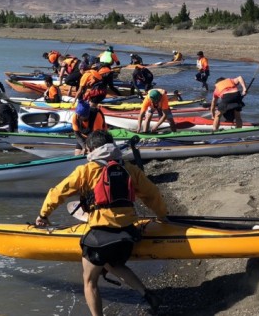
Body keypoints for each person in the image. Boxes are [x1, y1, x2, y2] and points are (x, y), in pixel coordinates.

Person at [35, 130, 167, 315]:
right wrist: (162, 216)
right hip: (128, 233)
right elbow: (152, 194)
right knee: (113, 264)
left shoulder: (86, 171)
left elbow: (58, 192)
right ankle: (147, 294)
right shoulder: (130, 169)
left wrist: (43, 215)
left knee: (89, 281)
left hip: (100, 235)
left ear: (90, 149)